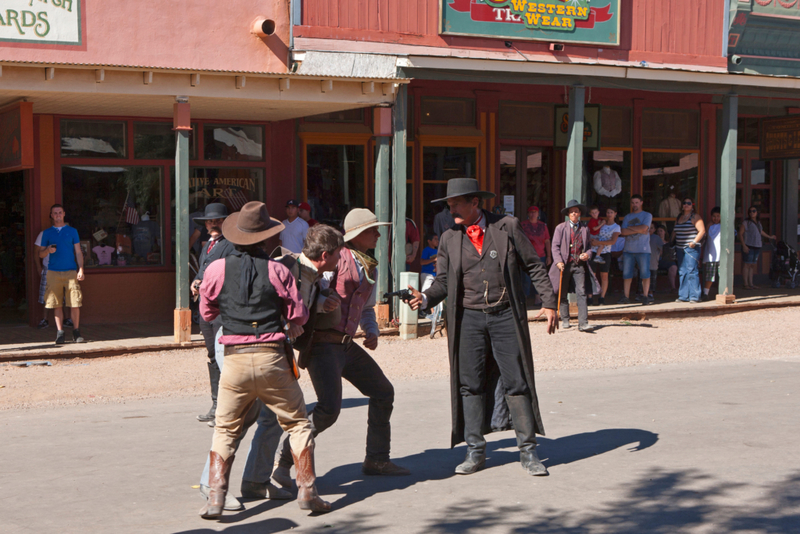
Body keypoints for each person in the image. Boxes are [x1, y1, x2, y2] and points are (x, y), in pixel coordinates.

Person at [407, 178, 558, 477]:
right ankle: (474, 451)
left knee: (517, 382)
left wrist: (549, 300)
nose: (451, 211)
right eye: (449, 205)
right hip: (469, 319)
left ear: (475, 202)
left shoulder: (508, 227)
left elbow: (534, 264)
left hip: (504, 315)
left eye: (456, 204)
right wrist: (425, 297)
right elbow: (443, 282)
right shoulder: (450, 238)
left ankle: (528, 452)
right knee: (470, 384)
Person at [197, 223, 344, 512]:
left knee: (226, 428)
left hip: (234, 355)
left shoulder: (216, 269)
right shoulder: (278, 271)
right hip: (271, 355)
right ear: (264, 238)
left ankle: (216, 496)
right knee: (298, 423)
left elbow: (206, 311)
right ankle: (307, 492)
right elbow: (298, 314)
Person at [273, 208, 410, 489]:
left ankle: (377, 459)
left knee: (383, 392)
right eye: (374, 230)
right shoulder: (335, 259)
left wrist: (370, 330)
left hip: (346, 345)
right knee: (328, 410)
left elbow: (367, 306)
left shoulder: (367, 264)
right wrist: (323, 304)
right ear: (358, 234)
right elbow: (311, 292)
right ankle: (284, 462)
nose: (378, 235)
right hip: (324, 345)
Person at [191, 203, 236, 425]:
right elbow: (202, 270)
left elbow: (229, 273)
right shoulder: (207, 244)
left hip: (221, 307)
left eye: (217, 221)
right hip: (206, 308)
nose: (212, 224)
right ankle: (216, 403)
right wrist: (195, 282)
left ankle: (227, 408)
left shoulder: (231, 244)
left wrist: (205, 282)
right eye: (209, 221)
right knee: (212, 355)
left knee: (223, 355)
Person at [37, 204, 85, 345]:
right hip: (53, 271)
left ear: (64, 214)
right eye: (55, 213)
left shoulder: (72, 231)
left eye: (59, 212)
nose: (57, 215)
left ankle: (76, 332)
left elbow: (78, 252)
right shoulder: (47, 233)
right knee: (56, 303)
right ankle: (60, 333)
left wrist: (81, 269)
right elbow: (40, 253)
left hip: (70, 271)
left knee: (74, 303)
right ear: (51, 215)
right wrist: (47, 251)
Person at [550, 200, 595, 331]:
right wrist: (558, 261)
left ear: (580, 213)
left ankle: (583, 323)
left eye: (576, 211)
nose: (574, 213)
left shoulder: (585, 228)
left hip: (579, 265)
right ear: (568, 214)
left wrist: (587, 254)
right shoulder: (560, 228)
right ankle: (565, 318)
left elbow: (590, 248)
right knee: (562, 292)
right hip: (564, 265)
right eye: (571, 212)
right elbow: (555, 246)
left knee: (581, 293)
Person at [618, 195, 653, 305]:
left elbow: (644, 228)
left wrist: (631, 228)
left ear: (641, 203)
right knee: (627, 274)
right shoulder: (627, 217)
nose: (634, 205)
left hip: (643, 249)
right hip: (628, 249)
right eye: (633, 202)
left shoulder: (647, 215)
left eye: (637, 202)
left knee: (645, 274)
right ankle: (626, 296)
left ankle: (646, 296)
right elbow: (622, 232)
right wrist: (639, 229)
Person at [673, 197, 706, 303]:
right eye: (684, 203)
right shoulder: (679, 217)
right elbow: (675, 231)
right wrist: (671, 242)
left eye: (689, 203)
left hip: (691, 248)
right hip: (679, 247)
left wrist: (694, 242)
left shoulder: (695, 216)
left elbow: (702, 231)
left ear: (692, 205)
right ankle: (683, 296)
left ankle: (695, 296)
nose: (686, 205)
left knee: (692, 271)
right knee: (682, 271)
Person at [589, 206, 620, 306]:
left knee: (604, 276)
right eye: (607, 212)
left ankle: (602, 297)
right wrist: (592, 241)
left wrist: (598, 242)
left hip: (605, 252)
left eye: (611, 212)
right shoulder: (601, 222)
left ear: (615, 213)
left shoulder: (616, 227)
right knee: (591, 274)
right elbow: (592, 231)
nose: (609, 214)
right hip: (593, 250)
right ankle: (590, 297)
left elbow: (613, 241)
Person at [520, 206, 551, 302]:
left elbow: (547, 241)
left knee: (540, 277)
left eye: (535, 212)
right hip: (527, 255)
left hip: (540, 255)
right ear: (528, 214)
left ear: (538, 214)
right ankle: (524, 298)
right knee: (526, 278)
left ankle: (538, 297)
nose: (533, 214)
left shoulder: (543, 226)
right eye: (531, 212)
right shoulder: (523, 225)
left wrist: (549, 256)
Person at [739, 205, 775, 290]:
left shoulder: (758, 223)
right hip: (749, 245)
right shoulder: (746, 222)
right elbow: (740, 234)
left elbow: (761, 232)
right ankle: (745, 284)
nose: (752, 213)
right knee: (747, 264)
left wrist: (770, 237)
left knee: (752, 265)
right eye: (750, 211)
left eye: (754, 211)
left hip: (757, 245)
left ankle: (751, 283)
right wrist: (744, 245)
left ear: (757, 212)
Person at [703, 207, 721, 299]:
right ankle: (705, 293)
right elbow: (705, 236)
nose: (716, 218)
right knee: (710, 275)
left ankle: (724, 292)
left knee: (722, 274)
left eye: (718, 216)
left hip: (722, 255)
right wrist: (707, 226)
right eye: (714, 216)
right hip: (711, 255)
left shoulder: (724, 226)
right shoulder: (709, 225)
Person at [657, 226, 678, 292]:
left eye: (661, 231)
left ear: (664, 232)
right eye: (658, 231)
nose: (659, 232)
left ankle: (673, 287)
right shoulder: (653, 241)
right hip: (657, 261)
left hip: (667, 261)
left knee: (673, 266)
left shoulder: (669, 243)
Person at [648, 223, 663, 299]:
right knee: (641, 278)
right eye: (648, 227)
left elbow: (662, 249)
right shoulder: (642, 237)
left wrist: (658, 257)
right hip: (643, 262)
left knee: (652, 279)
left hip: (653, 262)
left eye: (652, 228)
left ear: (654, 230)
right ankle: (641, 293)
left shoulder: (656, 238)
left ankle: (650, 293)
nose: (649, 229)